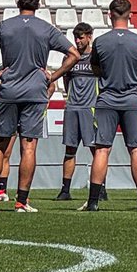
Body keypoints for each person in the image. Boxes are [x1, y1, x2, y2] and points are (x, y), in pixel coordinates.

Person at [0, 0, 78, 214]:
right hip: (35, 93)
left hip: (8, 91)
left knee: (0, 145)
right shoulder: (46, 29)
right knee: (28, 147)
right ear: (38, 4)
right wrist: (54, 75)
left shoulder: (5, 27)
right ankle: (21, 202)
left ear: (18, 3)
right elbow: (74, 55)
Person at [83, 0, 137, 213]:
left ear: (110, 15)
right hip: (132, 99)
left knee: (102, 149)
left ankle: (93, 201)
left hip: (107, 98)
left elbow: (95, 68)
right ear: (130, 15)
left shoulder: (101, 41)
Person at [55, 23, 96, 202]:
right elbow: (65, 80)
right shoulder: (70, 57)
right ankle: (65, 190)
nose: (78, 41)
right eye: (76, 38)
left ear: (89, 37)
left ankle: (100, 187)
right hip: (72, 107)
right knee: (70, 149)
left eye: (81, 37)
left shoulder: (96, 57)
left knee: (97, 150)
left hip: (91, 108)